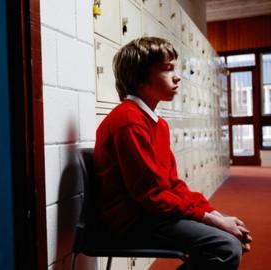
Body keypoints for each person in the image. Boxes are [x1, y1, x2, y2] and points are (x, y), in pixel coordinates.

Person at [94, 37, 252, 270]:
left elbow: (172, 184)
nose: (177, 77)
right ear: (140, 78)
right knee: (224, 248)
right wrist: (210, 220)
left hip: (151, 215)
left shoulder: (157, 124)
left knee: (230, 238)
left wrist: (213, 214)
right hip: (134, 222)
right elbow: (151, 195)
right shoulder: (128, 121)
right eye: (168, 70)